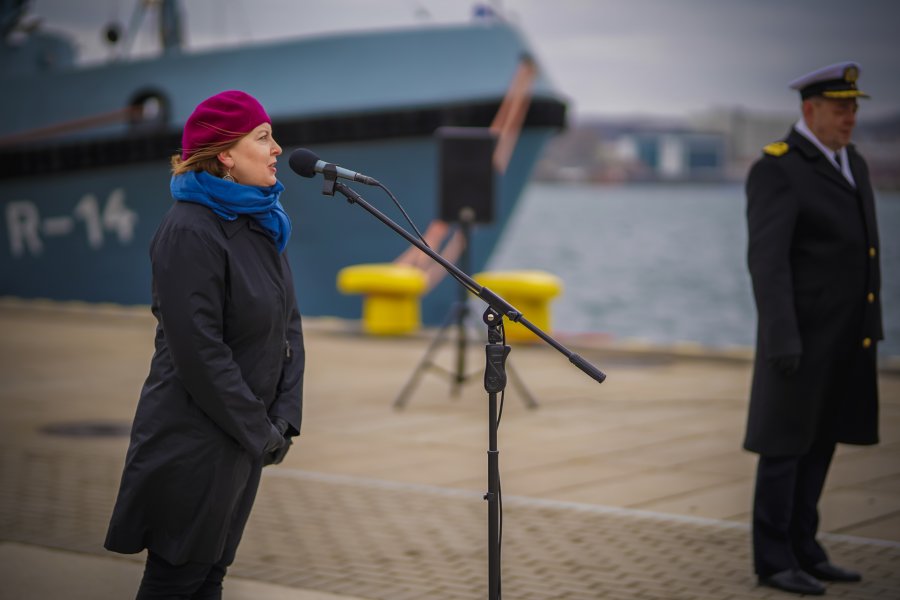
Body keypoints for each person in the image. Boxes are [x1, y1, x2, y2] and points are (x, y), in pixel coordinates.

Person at [105, 90, 305, 599]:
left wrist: (284, 415)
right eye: (263, 138)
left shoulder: (261, 222)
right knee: (179, 578)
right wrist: (259, 429)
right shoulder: (189, 231)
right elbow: (199, 352)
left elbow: (288, 325)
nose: (277, 148)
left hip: (243, 435)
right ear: (225, 155)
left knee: (211, 575)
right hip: (194, 438)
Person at [744, 62, 882, 596]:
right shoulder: (778, 168)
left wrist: (870, 324)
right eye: (841, 108)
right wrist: (782, 337)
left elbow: (866, 251)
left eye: (854, 108)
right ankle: (773, 560)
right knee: (784, 450)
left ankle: (806, 548)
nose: (850, 117)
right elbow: (768, 262)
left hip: (845, 337)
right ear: (810, 111)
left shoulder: (854, 163)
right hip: (798, 340)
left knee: (821, 445)